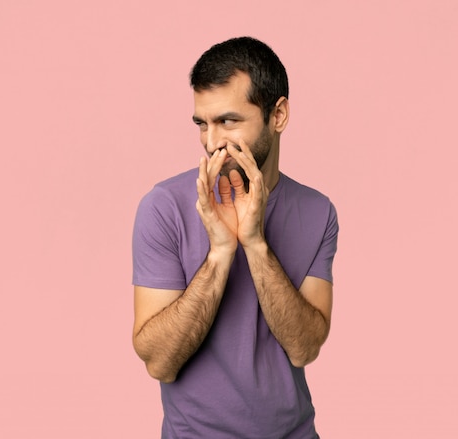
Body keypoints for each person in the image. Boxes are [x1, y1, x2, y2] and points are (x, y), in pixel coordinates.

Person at [132, 36, 339, 438]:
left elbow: (305, 347)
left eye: (228, 121)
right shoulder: (163, 207)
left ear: (277, 115)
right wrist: (220, 253)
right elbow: (159, 362)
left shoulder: (319, 212)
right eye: (202, 124)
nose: (212, 143)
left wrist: (256, 244)